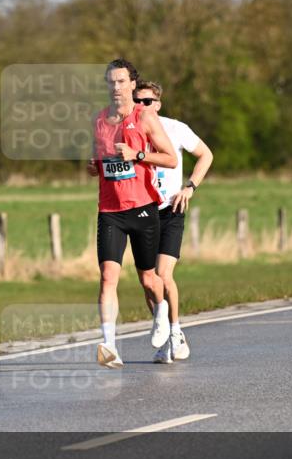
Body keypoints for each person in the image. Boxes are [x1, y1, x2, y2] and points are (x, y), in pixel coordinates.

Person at [87, 59, 178, 369]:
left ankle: (162, 315)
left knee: (148, 278)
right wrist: (93, 165)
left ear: (132, 85)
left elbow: (171, 159)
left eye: (121, 82)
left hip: (142, 209)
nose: (116, 87)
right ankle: (109, 346)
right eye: (111, 82)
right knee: (107, 277)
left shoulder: (145, 118)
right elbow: (99, 160)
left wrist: (138, 154)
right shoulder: (99, 119)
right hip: (110, 210)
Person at [132, 80, 214, 363]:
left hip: (171, 209)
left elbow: (206, 155)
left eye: (147, 101)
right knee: (147, 281)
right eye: (137, 101)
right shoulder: (129, 130)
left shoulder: (175, 128)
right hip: (142, 211)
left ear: (158, 104)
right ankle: (163, 333)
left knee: (164, 275)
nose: (142, 106)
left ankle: (177, 331)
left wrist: (190, 186)